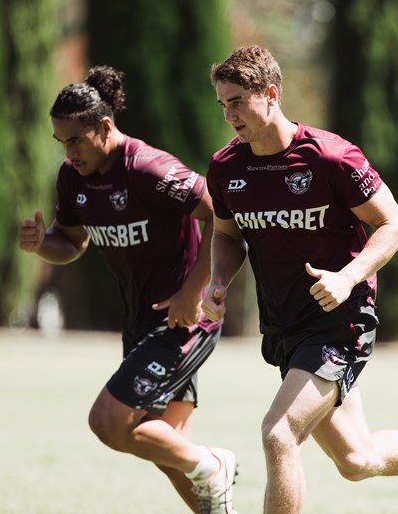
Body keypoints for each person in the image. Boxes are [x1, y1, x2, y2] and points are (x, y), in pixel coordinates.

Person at [202, 45, 398, 514]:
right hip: (286, 324)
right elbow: (226, 234)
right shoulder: (227, 167)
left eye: (238, 101)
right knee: (356, 458)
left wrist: (348, 277)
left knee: (279, 434)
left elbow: (395, 225)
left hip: (339, 320)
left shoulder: (330, 156)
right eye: (222, 103)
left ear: (270, 94)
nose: (229, 114)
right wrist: (217, 281)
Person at [18, 66, 238, 514]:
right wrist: (44, 245)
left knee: (110, 423)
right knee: (163, 443)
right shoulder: (72, 177)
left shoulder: (148, 168)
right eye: (60, 141)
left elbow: (221, 216)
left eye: (76, 139)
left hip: (184, 319)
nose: (69, 151)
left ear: (104, 126)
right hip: (141, 321)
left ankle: (214, 462)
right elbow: (72, 243)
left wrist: (193, 291)